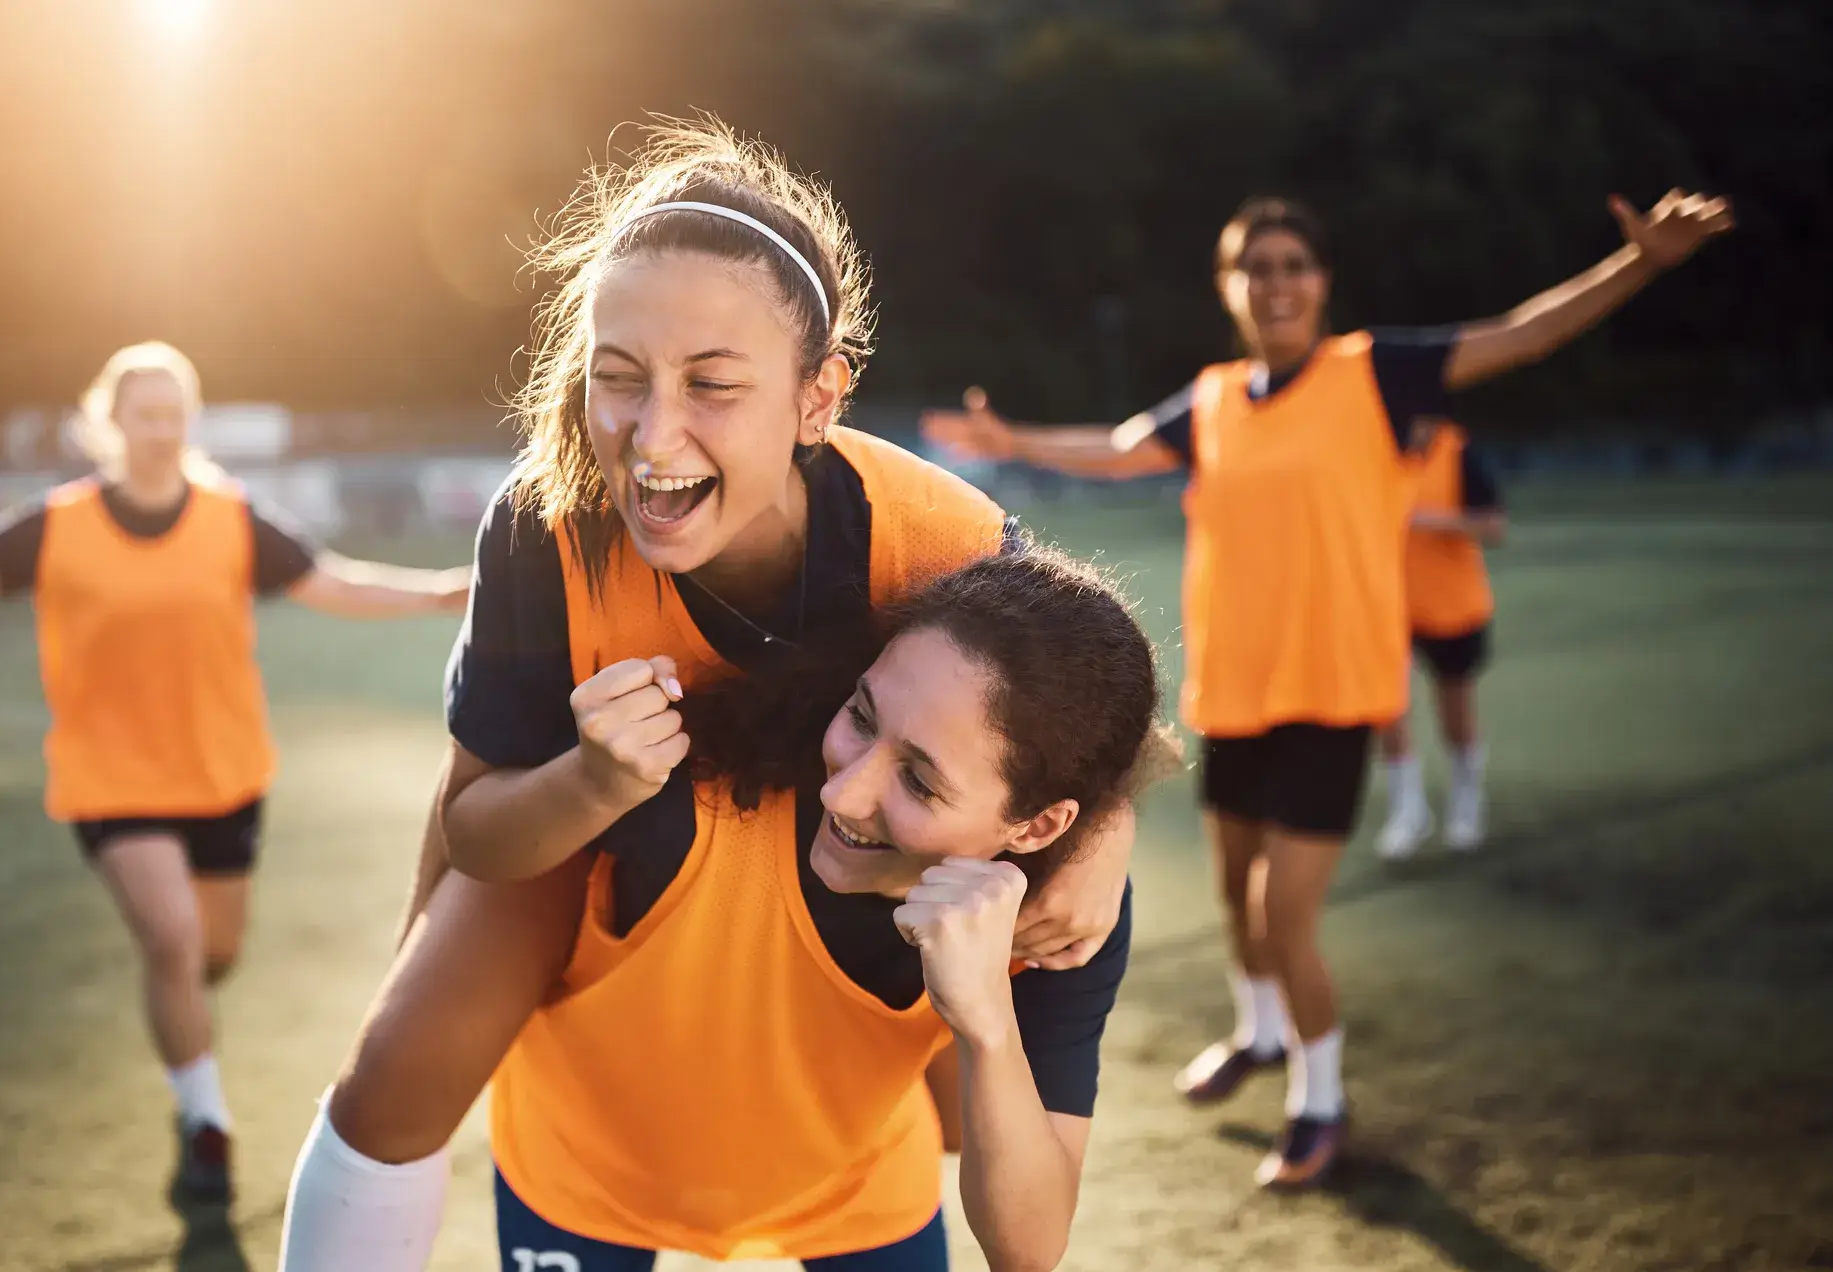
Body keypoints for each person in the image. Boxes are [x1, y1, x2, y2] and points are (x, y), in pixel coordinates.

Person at [276, 119, 1135, 1270]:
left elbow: (1067, 703)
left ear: (819, 398)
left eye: (714, 385)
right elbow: (476, 825)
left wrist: (1107, 830)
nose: (650, 437)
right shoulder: (551, 526)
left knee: (976, 1023)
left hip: (852, 927)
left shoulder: (943, 542)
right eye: (616, 379)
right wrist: (588, 781)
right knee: (396, 1076)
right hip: (613, 875)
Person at [923, 188, 1731, 1188]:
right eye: (1254, 267)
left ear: (1322, 280)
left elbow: (1522, 336)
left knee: (1279, 917)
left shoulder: (1373, 374)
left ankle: (1321, 1100)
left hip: (1333, 697)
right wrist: (1017, 445)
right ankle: (1258, 1033)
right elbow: (1126, 447)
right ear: (1230, 287)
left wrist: (1643, 263)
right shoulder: (1216, 399)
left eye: (1293, 264)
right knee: (1231, 895)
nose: (1276, 283)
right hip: (1236, 695)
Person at [0, 341, 470, 1205]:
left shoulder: (231, 518)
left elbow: (331, 582)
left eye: (174, 413)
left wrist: (442, 590)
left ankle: (179, 1022)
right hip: (109, 780)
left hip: (222, 776)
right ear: (109, 423)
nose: (159, 429)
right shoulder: (59, 523)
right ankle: (206, 1127)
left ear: (190, 421)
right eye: (143, 413)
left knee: (211, 955)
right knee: (174, 941)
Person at [481, 547, 1171, 1272]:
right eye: (861, 717)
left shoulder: (1057, 918)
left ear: (1034, 828)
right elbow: (484, 841)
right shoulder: (693, 784)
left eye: (919, 781)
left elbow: (1028, 1248)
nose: (841, 794)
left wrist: (987, 1022)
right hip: (580, 1167)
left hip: (853, 1193)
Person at [1376, 421, 1506, 860]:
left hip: (1452, 607)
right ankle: (1408, 809)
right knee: (1388, 709)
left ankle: (1466, 802)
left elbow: (1494, 526)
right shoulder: (1375, 448)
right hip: (1389, 605)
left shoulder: (1458, 452)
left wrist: (1430, 521)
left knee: (1455, 710)